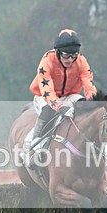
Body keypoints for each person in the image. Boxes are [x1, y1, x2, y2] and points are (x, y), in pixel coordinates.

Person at [23, 28, 97, 166]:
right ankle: (33, 147)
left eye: (74, 55)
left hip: (70, 95)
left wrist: (91, 99)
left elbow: (88, 82)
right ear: (57, 52)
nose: (70, 60)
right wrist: (60, 107)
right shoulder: (47, 61)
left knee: (84, 106)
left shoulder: (81, 61)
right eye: (66, 55)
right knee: (48, 110)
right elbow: (47, 91)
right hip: (44, 97)